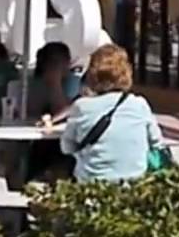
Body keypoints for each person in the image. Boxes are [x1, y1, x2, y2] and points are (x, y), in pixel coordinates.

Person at [61, 43, 168, 182]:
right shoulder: (140, 104)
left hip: (93, 183)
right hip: (135, 182)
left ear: (92, 75)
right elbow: (157, 143)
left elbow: (66, 147)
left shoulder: (81, 106)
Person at [29, 41, 83, 121]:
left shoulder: (74, 83)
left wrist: (55, 83)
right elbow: (31, 113)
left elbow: (63, 113)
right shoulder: (32, 83)